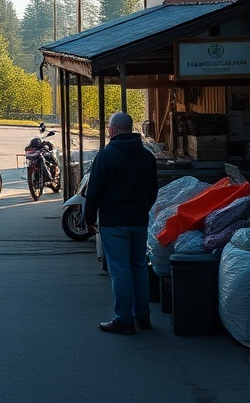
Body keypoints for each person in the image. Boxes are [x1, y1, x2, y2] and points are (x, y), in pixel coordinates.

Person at [83, 111, 158, 334]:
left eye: (109, 126)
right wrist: (142, 209)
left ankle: (124, 320)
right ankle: (142, 316)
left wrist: (89, 219)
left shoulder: (106, 156)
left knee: (120, 270)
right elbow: (153, 191)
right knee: (139, 266)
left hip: (114, 222)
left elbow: (94, 191)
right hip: (139, 221)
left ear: (114, 129)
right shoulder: (147, 157)